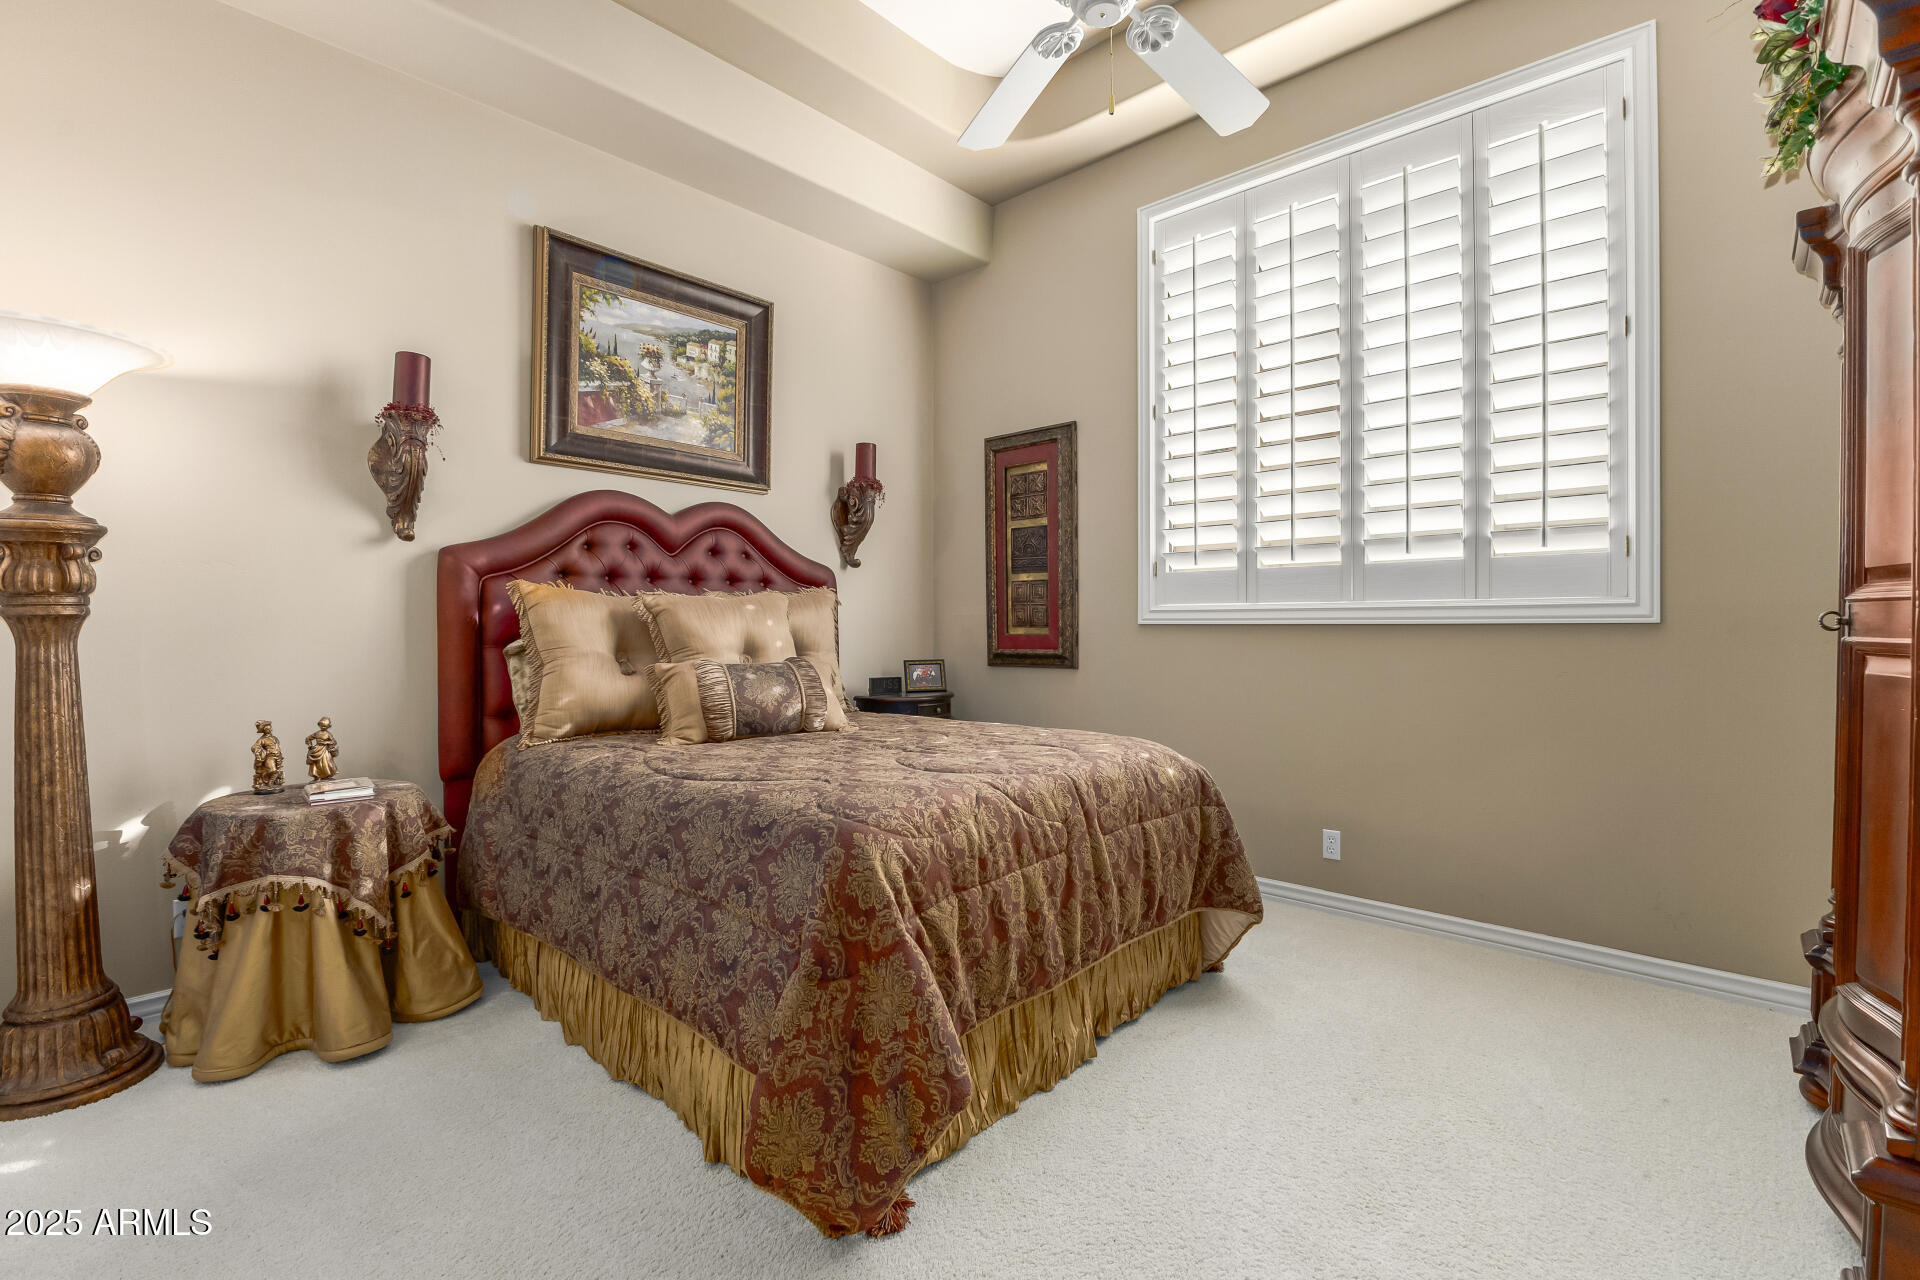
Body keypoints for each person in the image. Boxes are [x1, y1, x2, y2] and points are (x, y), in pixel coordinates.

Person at [305, 717, 339, 782]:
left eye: (325, 726)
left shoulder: (328, 734)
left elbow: (333, 741)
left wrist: (326, 742)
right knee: (316, 763)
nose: (323, 727)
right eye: (322, 726)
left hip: (325, 750)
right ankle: (317, 776)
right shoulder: (317, 733)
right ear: (319, 725)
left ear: (328, 726)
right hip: (317, 749)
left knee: (327, 762)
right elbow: (308, 738)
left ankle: (326, 776)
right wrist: (310, 745)